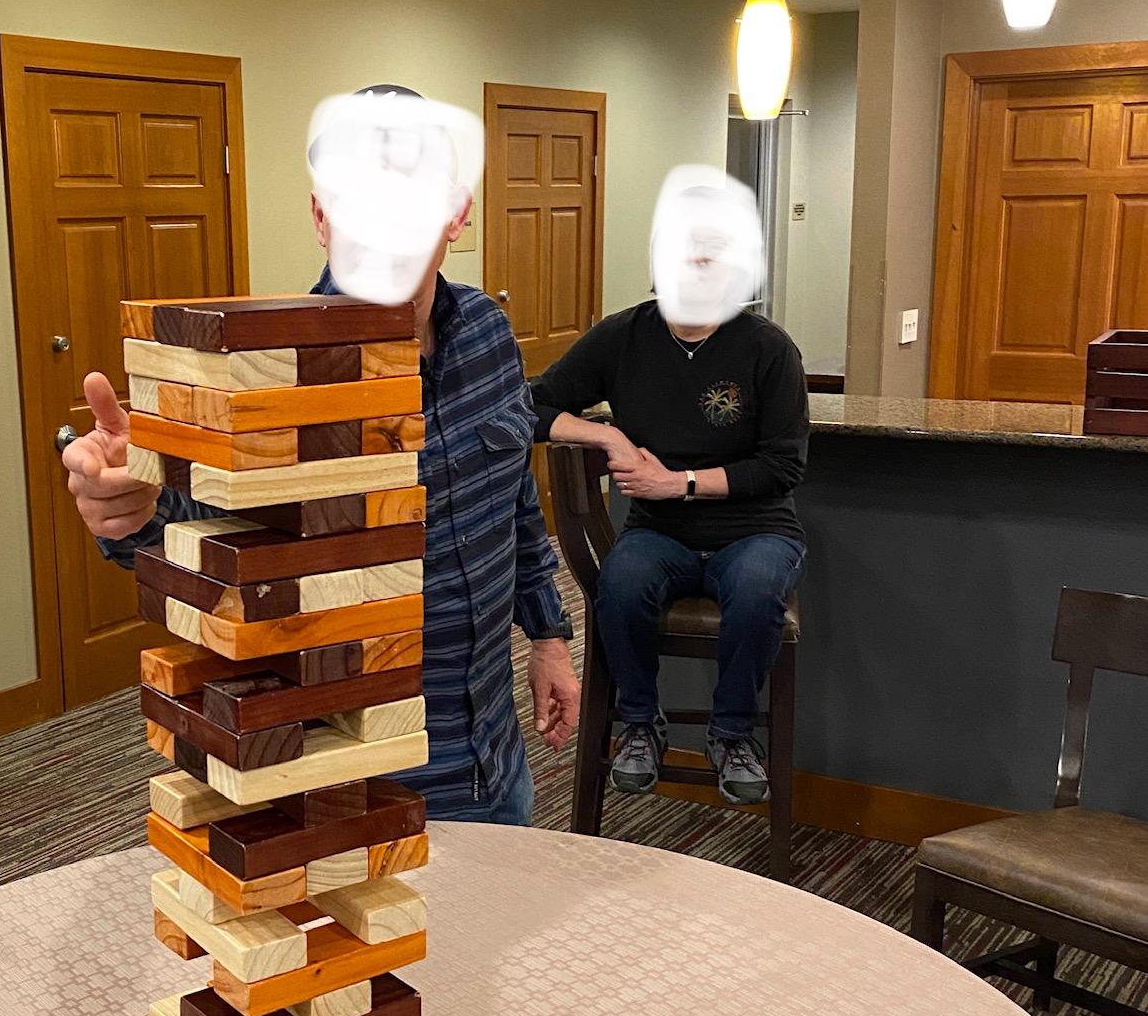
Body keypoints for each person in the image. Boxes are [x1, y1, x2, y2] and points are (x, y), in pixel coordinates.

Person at [62, 83, 581, 824]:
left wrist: (551, 638)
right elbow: (188, 535)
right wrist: (132, 509)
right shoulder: (260, 378)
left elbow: (515, 506)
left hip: (492, 751)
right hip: (342, 775)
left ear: (456, 211)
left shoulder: (490, 339)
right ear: (320, 215)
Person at [529, 165, 807, 806]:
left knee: (760, 590)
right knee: (618, 588)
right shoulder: (624, 337)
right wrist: (607, 437)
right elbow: (535, 405)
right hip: (658, 535)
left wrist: (677, 482)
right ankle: (638, 724)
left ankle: (732, 733)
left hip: (757, 530)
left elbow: (782, 467)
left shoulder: (768, 349)